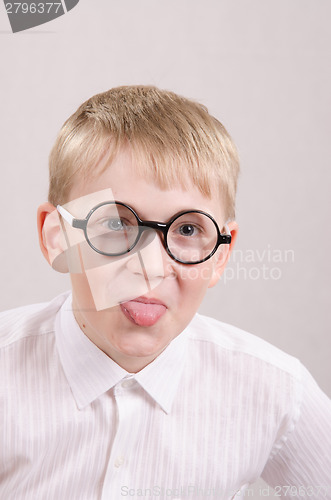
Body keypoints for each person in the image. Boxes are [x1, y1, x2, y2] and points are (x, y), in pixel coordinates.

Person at [1, 86, 330, 500]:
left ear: (221, 256)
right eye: (118, 224)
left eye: (188, 230)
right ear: (57, 236)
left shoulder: (276, 391)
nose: (151, 267)